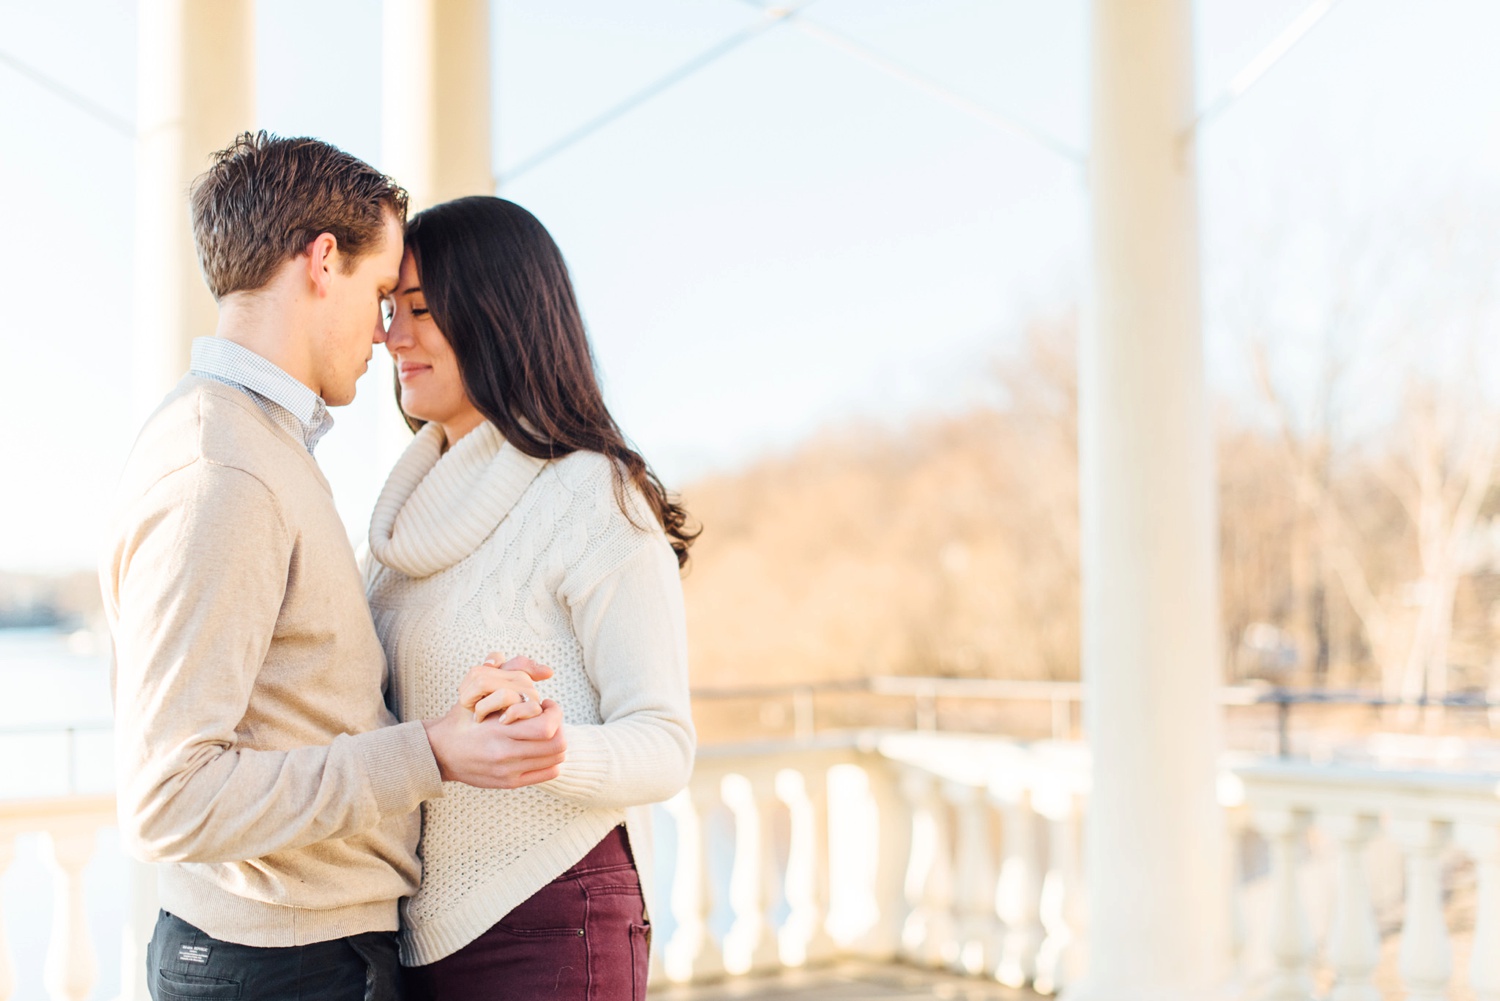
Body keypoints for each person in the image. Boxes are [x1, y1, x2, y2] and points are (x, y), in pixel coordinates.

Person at [101, 132, 565, 1001]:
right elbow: (170, 795)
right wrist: (431, 751)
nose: (389, 331)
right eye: (383, 292)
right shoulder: (226, 468)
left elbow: (295, 702)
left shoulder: (254, 447)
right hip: (286, 967)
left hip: (297, 957)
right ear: (323, 260)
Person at [366, 195, 698, 998]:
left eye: (419, 311)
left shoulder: (593, 493)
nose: (391, 337)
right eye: (388, 311)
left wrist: (553, 749)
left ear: (495, 314)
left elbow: (666, 742)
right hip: (416, 933)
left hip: (552, 915)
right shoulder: (396, 526)